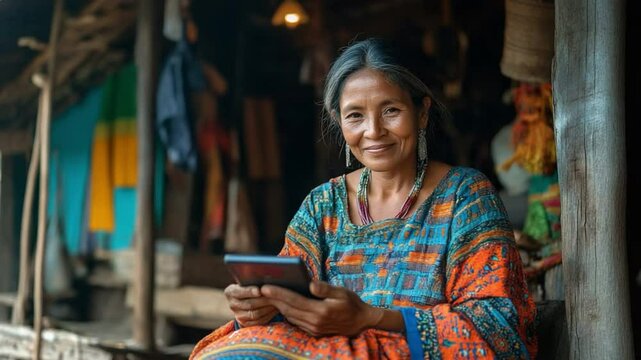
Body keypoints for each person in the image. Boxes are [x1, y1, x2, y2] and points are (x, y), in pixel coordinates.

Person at [191, 38, 537, 359]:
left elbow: (498, 330)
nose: (373, 131)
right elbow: (289, 302)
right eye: (355, 115)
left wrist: (370, 317)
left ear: (422, 112)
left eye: (390, 111)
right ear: (339, 122)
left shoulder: (466, 196)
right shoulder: (322, 206)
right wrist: (259, 306)